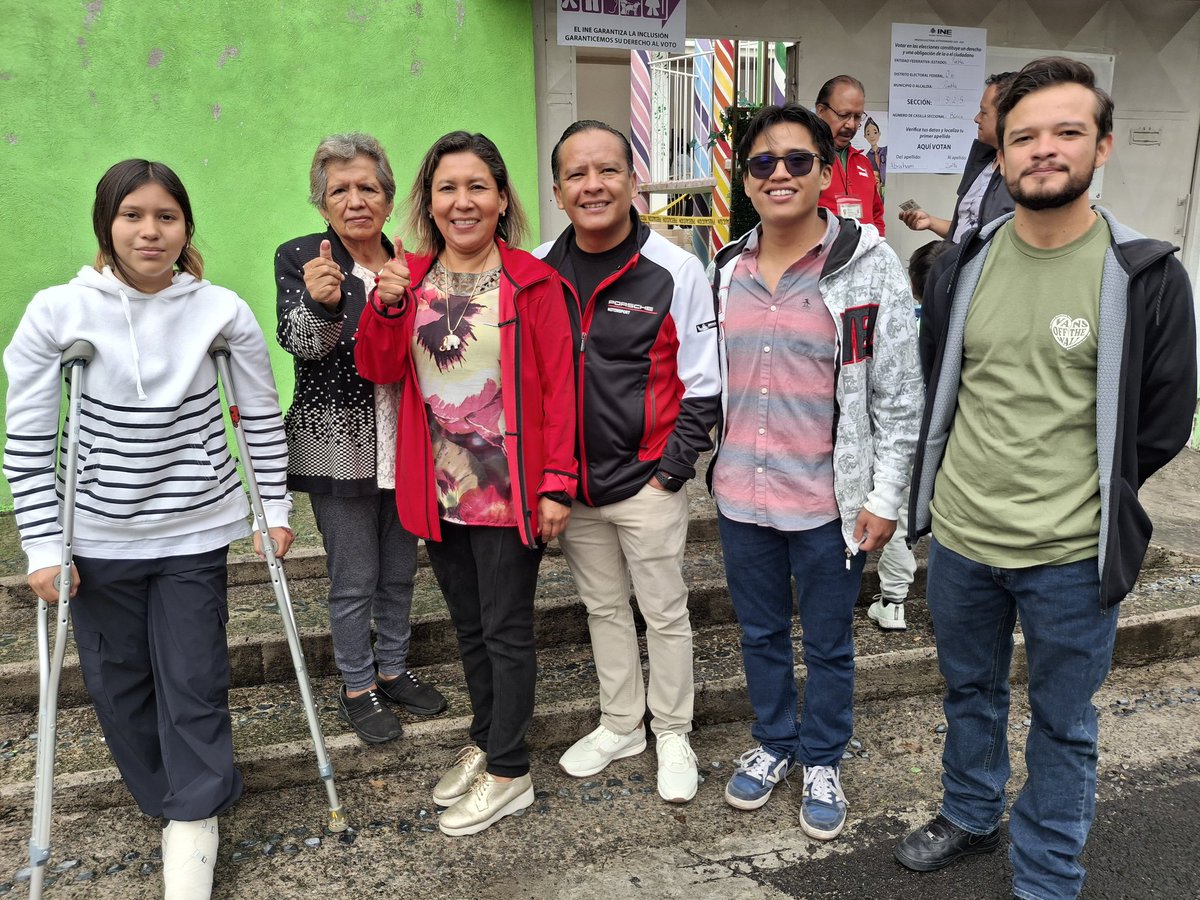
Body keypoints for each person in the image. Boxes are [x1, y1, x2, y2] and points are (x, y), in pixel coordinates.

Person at [895, 58, 1197, 899]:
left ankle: (1048, 870)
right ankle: (971, 811)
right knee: (970, 691)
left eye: (1067, 131)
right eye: (1023, 135)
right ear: (1000, 154)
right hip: (963, 538)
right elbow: (939, 379)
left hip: (1071, 553)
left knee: (1064, 722)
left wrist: (1092, 494)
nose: (1044, 149)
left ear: (1103, 145)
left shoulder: (1145, 275)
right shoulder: (964, 263)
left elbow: (1164, 418)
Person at [3, 159, 293, 899]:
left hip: (195, 529)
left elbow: (259, 416)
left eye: (166, 216)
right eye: (132, 215)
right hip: (97, 534)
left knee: (195, 676)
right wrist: (43, 545)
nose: (150, 231)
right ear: (107, 225)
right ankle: (169, 797)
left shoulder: (221, 311)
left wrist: (275, 510)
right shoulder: (57, 312)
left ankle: (195, 814)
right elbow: (28, 439)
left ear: (186, 226)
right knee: (119, 683)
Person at [708, 104, 922, 839]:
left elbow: (899, 395)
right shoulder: (725, 269)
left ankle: (823, 755)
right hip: (741, 496)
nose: (780, 174)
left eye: (798, 160)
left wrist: (886, 495)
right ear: (746, 179)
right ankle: (774, 742)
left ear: (826, 173)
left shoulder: (870, 264)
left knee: (830, 642)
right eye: (763, 163)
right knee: (760, 634)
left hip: (830, 504)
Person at [355, 130, 577, 836]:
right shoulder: (409, 280)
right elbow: (378, 368)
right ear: (429, 202)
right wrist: (387, 305)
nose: (463, 201)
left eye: (477, 186)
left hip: (511, 493)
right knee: (470, 628)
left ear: (502, 198)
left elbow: (561, 388)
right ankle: (485, 741)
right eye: (447, 188)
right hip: (441, 489)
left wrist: (557, 484)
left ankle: (511, 772)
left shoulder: (535, 283)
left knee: (506, 630)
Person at [534, 120, 721, 804]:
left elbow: (703, 383)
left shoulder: (675, 269)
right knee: (603, 609)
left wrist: (670, 472)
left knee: (664, 612)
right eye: (577, 174)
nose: (594, 185)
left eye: (608, 170)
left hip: (647, 482)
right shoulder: (536, 270)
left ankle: (672, 731)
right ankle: (621, 725)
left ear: (633, 181)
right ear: (557, 190)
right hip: (573, 486)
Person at [275, 133, 446, 745]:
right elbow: (300, 343)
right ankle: (357, 684)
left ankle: (393, 668)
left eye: (368, 188)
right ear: (322, 203)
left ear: (389, 198)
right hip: (337, 441)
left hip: (408, 439)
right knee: (354, 577)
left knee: (399, 569)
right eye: (339, 190)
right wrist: (321, 305)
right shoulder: (304, 257)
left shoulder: (414, 263)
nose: (355, 201)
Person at [866, 238, 953, 632]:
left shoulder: (899, 324)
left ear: (913, 284)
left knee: (902, 518)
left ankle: (894, 601)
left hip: (906, 436)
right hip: (952, 434)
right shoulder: (963, 324)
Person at [899, 72, 1017, 243]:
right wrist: (930, 222)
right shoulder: (984, 162)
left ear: (1007, 117)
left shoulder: (1022, 175)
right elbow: (966, 231)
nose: (976, 119)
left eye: (984, 112)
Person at [815, 75, 886, 234]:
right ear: (820, 111)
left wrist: (877, 245)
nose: (851, 124)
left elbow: (877, 216)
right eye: (843, 115)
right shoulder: (804, 161)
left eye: (857, 116)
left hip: (865, 248)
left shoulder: (863, 162)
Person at [863, 116, 886, 194]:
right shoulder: (867, 156)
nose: (872, 136)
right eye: (868, 133)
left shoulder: (885, 151)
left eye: (875, 132)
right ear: (865, 136)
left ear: (879, 133)